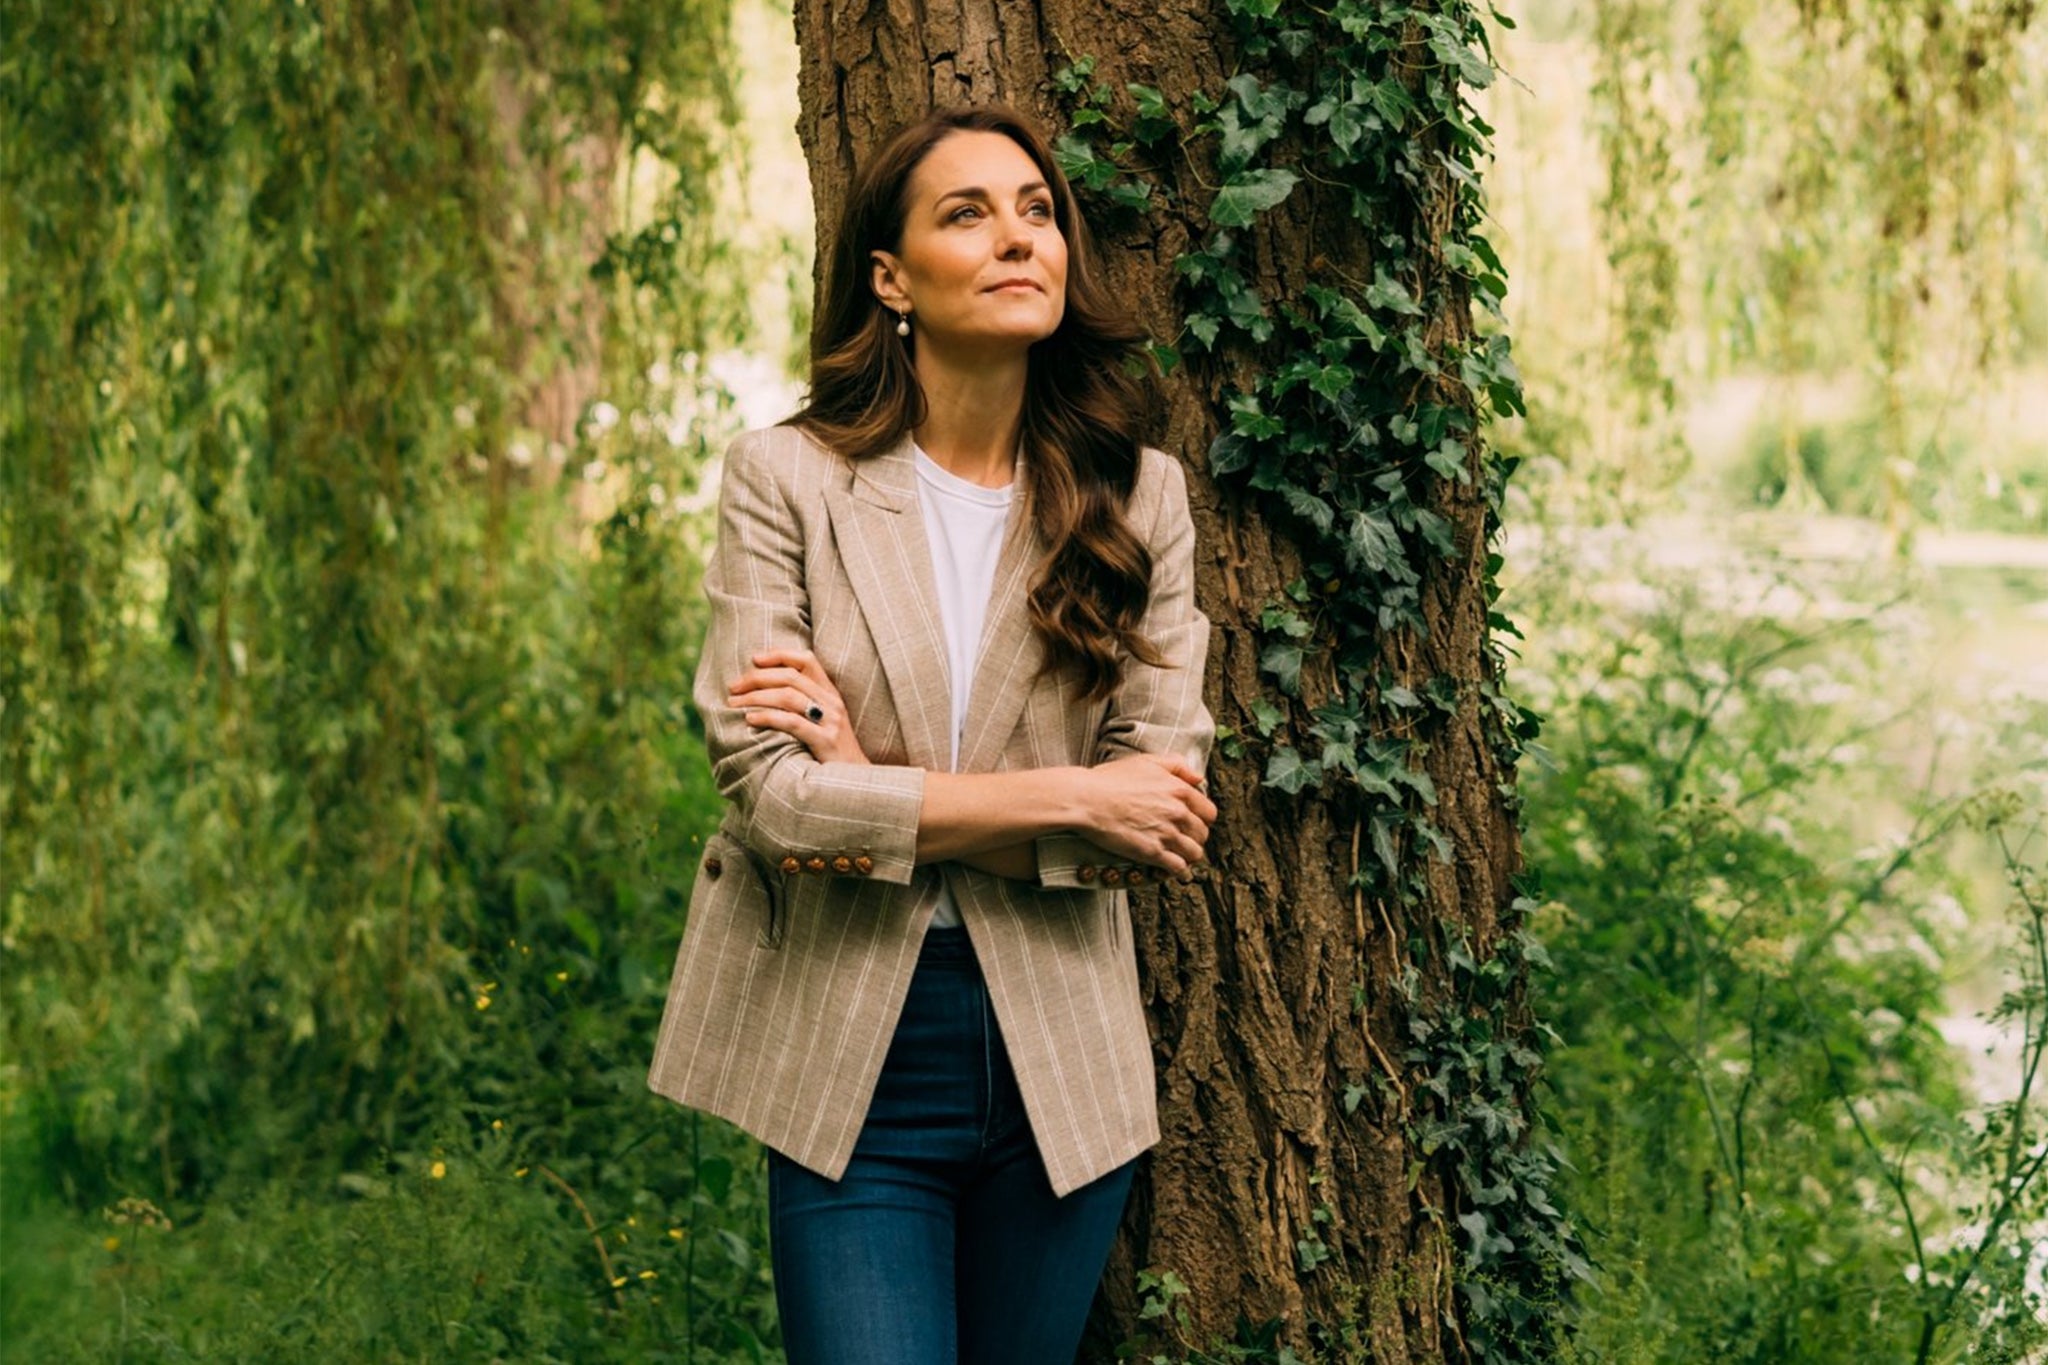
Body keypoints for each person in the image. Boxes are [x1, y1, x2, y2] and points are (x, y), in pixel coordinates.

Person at [646, 103, 1216, 1365]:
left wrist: (876, 790)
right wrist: (1071, 801)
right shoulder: (784, 481)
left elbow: (1157, 821)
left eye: (1035, 211)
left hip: (1058, 1058)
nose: (1018, 239)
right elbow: (777, 805)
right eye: (967, 214)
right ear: (891, 279)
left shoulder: (1139, 498)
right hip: (853, 1050)